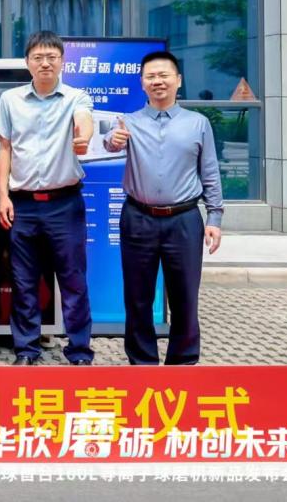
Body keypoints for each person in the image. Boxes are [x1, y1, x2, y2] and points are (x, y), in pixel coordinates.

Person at [103, 50, 224, 365]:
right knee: (137, 296)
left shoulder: (198, 124)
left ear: (178, 80)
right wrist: (113, 140)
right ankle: (142, 363)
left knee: (185, 296)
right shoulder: (128, 122)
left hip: (184, 219)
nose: (157, 81)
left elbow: (210, 172)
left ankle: (182, 363)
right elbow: (109, 142)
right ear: (142, 83)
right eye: (151, 76)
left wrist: (214, 217)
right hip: (138, 217)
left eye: (164, 75)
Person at [0, 31, 95, 366]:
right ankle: (26, 349)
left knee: (73, 280)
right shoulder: (10, 100)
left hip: (64, 204)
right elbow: (4, 149)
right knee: (23, 281)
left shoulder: (76, 97)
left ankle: (79, 351)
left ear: (62, 61)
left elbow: (84, 122)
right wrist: (3, 196)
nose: (45, 63)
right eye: (38, 57)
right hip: (22, 204)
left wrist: (82, 138)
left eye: (52, 57)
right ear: (27, 63)